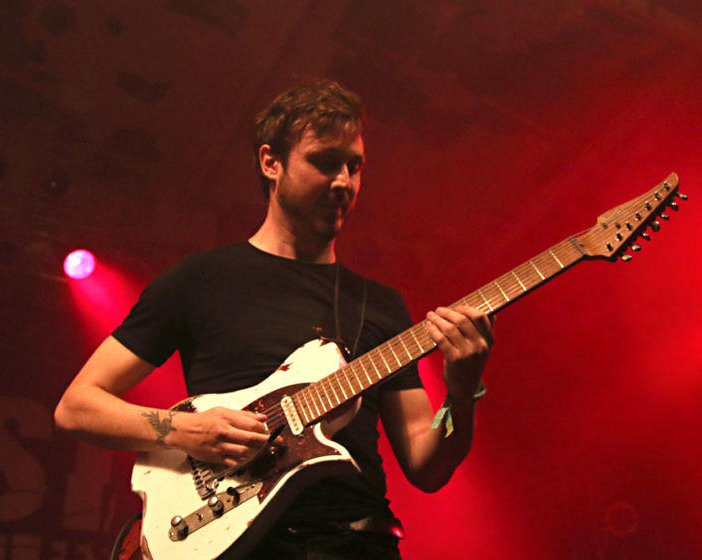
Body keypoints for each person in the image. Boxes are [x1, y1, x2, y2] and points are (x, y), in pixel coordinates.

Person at [53, 79, 494, 559]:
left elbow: (427, 468)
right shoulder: (199, 280)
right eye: (325, 162)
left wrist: (462, 393)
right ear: (271, 162)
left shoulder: (382, 305)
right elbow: (78, 407)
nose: (344, 182)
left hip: (358, 545)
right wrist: (186, 431)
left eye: (354, 166)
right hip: (240, 545)